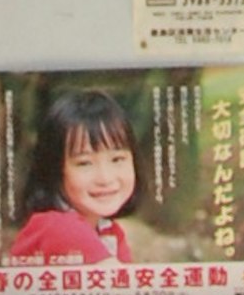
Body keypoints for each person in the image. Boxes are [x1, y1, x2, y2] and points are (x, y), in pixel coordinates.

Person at [9, 87, 146, 269]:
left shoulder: (110, 232)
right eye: (85, 163)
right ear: (55, 170)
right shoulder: (59, 228)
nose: (105, 178)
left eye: (117, 159)